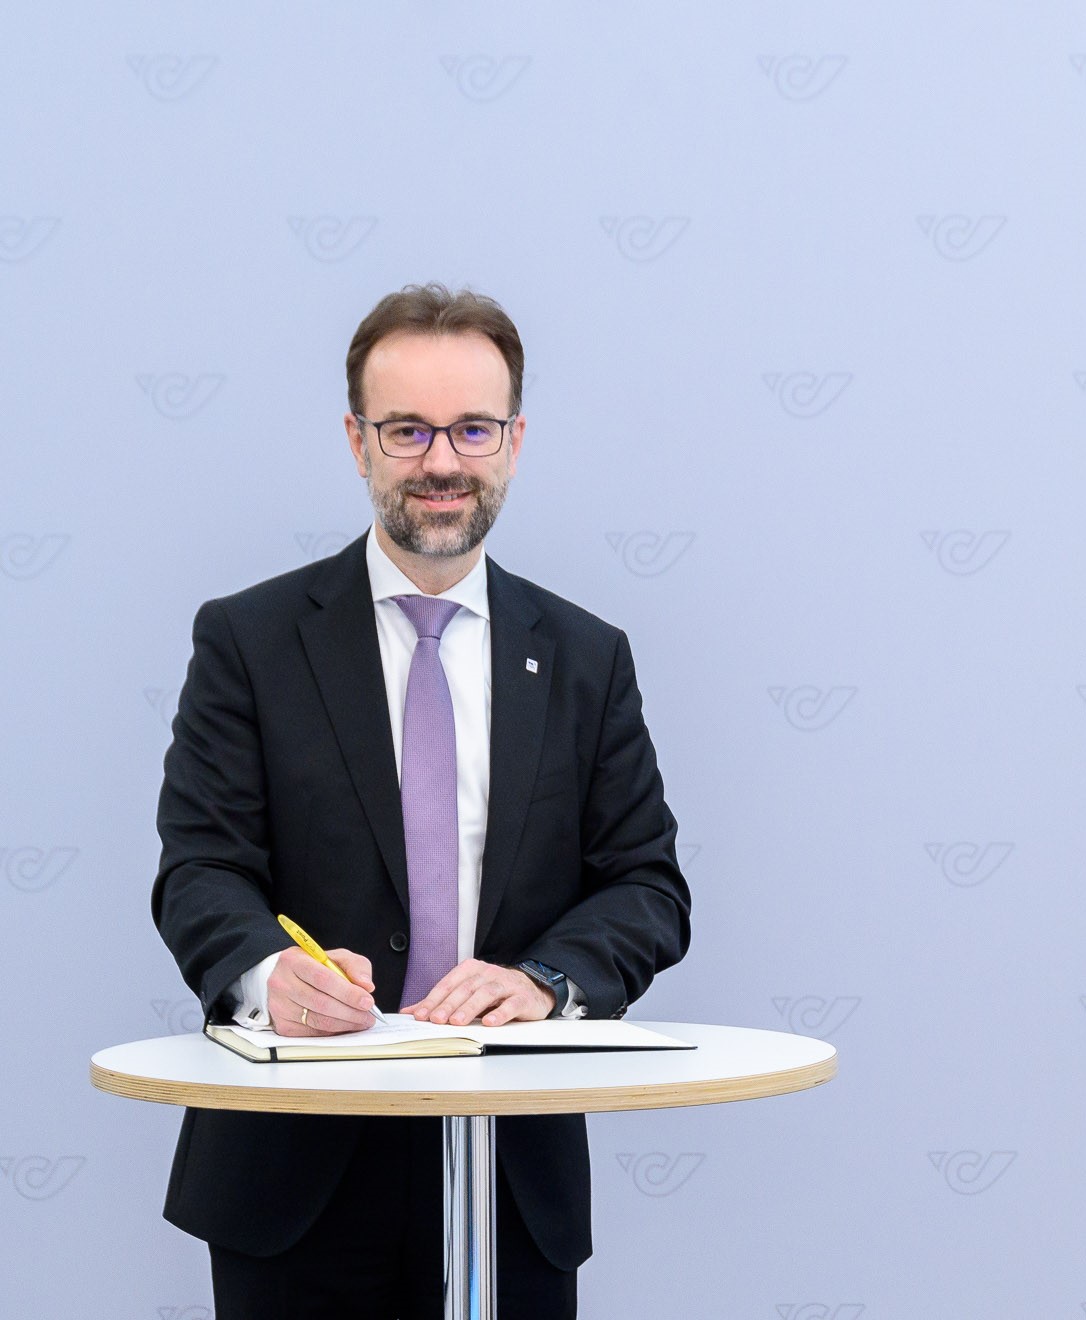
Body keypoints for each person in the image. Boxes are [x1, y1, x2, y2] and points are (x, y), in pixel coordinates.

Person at [152, 284, 692, 1318]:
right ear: (357, 441)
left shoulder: (587, 658)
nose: (442, 461)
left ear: (515, 442)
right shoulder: (249, 641)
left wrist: (544, 981)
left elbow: (647, 889)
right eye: (407, 430)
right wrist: (269, 976)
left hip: (512, 1170)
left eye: (472, 429)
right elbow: (200, 871)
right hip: (293, 1171)